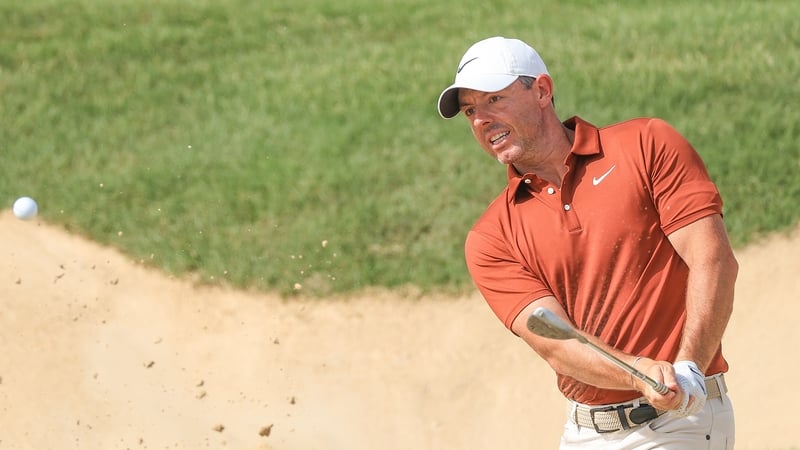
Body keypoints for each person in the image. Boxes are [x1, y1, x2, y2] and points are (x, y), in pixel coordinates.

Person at [437, 36, 739, 449]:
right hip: (585, 433)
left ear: (542, 90)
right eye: (471, 111)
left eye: (494, 99)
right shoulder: (491, 237)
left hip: (678, 421)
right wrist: (637, 372)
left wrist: (689, 367)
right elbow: (558, 345)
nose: (480, 120)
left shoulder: (646, 145)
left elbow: (713, 259)